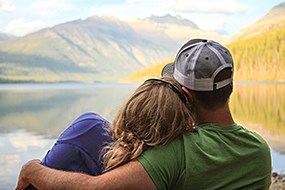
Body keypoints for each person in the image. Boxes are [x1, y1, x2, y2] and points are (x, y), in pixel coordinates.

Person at [16, 39, 272, 190]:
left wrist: (32, 170)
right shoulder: (259, 150)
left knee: (91, 128)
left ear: (186, 94)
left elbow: (94, 188)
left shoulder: (178, 151)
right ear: (230, 87)